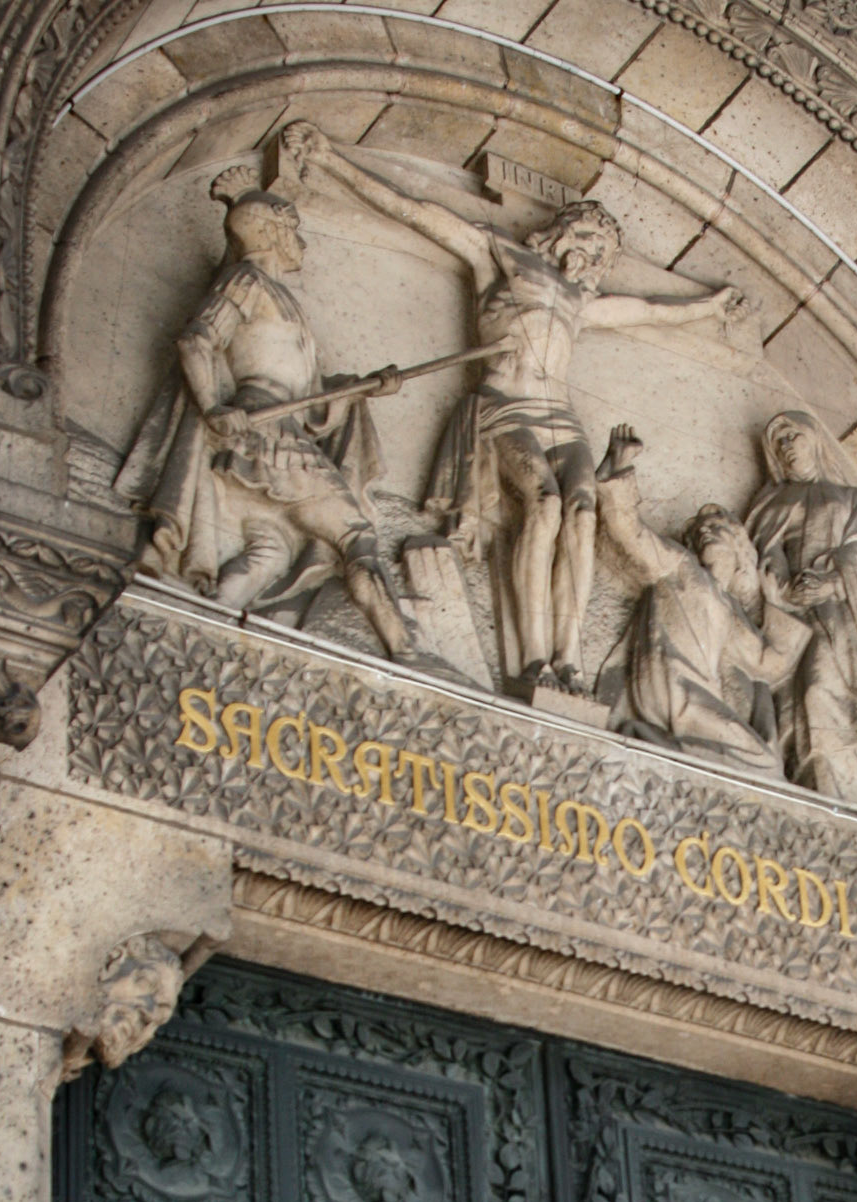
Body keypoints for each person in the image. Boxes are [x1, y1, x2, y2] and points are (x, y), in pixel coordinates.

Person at [281, 121, 741, 692]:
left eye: (603, 254)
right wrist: (329, 159)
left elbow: (649, 308)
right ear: (566, 234)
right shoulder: (501, 258)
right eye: (591, 244)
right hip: (506, 406)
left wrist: (709, 307)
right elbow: (416, 209)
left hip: (561, 419)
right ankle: (532, 657)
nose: (595, 259)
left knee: (581, 512)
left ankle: (568, 658)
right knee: (544, 503)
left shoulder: (579, 302)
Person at [117, 166, 409, 655]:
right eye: (292, 229)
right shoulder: (245, 281)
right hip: (268, 437)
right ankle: (404, 650)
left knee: (269, 552)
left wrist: (364, 388)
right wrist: (211, 405)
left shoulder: (278, 295)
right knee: (356, 534)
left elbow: (313, 396)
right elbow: (195, 340)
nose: (301, 242)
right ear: (271, 232)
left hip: (274, 436)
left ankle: (179, 637)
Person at [596, 427, 809, 776]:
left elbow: (766, 663)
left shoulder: (731, 609)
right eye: (699, 532)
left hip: (700, 697)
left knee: (765, 763)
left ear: (741, 552)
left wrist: (776, 603)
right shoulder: (680, 566)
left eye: (717, 530)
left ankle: (659, 748)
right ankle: (653, 741)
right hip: (674, 689)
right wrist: (618, 467)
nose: (705, 533)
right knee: (763, 763)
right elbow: (629, 533)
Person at [746, 410, 857, 812]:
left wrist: (834, 583)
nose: (787, 446)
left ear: (815, 440)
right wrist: (786, 589)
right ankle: (814, 779)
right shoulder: (770, 502)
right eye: (779, 441)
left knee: (826, 682)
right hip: (790, 614)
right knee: (805, 691)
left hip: (843, 613)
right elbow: (764, 552)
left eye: (794, 436)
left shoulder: (851, 500)